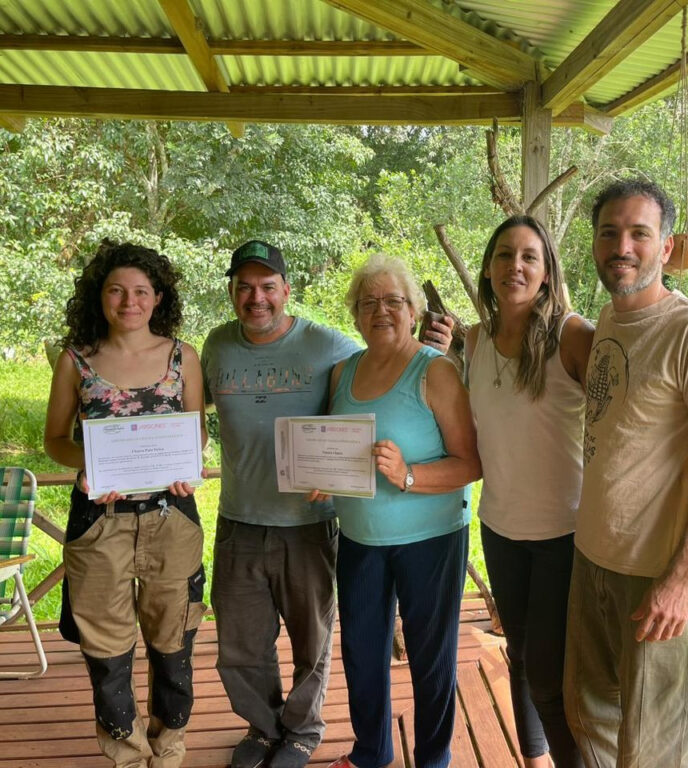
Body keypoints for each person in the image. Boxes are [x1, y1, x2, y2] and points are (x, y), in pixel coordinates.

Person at [201, 241, 453, 768]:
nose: (257, 297)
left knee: (323, 644)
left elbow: (398, 355)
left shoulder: (332, 348)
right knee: (258, 647)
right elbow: (186, 410)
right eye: (244, 287)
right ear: (230, 292)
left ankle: (307, 733)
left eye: (268, 286)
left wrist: (439, 340)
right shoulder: (223, 347)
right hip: (269, 522)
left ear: (286, 291)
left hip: (342, 527)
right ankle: (277, 732)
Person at [563, 179, 688, 767]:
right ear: (594, 244)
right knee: (589, 716)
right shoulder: (609, 321)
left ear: (666, 247)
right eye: (610, 232)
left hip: (655, 576)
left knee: (655, 747)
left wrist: (681, 580)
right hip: (592, 558)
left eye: (640, 233)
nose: (623, 246)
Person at [44, 240, 207, 768]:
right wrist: (87, 463)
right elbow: (55, 440)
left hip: (171, 517)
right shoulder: (76, 359)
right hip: (99, 520)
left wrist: (186, 466)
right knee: (107, 651)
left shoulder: (183, 355)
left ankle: (169, 745)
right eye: (117, 290)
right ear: (101, 296)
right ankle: (128, 754)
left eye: (141, 291)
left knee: (173, 640)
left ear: (158, 298)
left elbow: (196, 433)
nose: (129, 300)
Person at [323, 253, 481, 768]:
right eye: (368, 302)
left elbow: (471, 463)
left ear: (414, 311)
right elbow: (334, 450)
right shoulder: (343, 372)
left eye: (394, 301)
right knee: (362, 654)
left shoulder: (436, 371)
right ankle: (372, 751)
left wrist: (408, 475)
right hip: (360, 539)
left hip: (430, 539)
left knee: (431, 656)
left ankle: (433, 758)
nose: (381, 311)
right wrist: (321, 480)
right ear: (355, 315)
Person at [464, 215, 592, 768]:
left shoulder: (572, 334)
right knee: (520, 655)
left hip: (563, 532)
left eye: (529, 257)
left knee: (547, 672)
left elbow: (629, 408)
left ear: (546, 272)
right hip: (499, 528)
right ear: (489, 268)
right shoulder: (473, 340)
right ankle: (534, 759)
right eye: (503, 255)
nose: (514, 266)